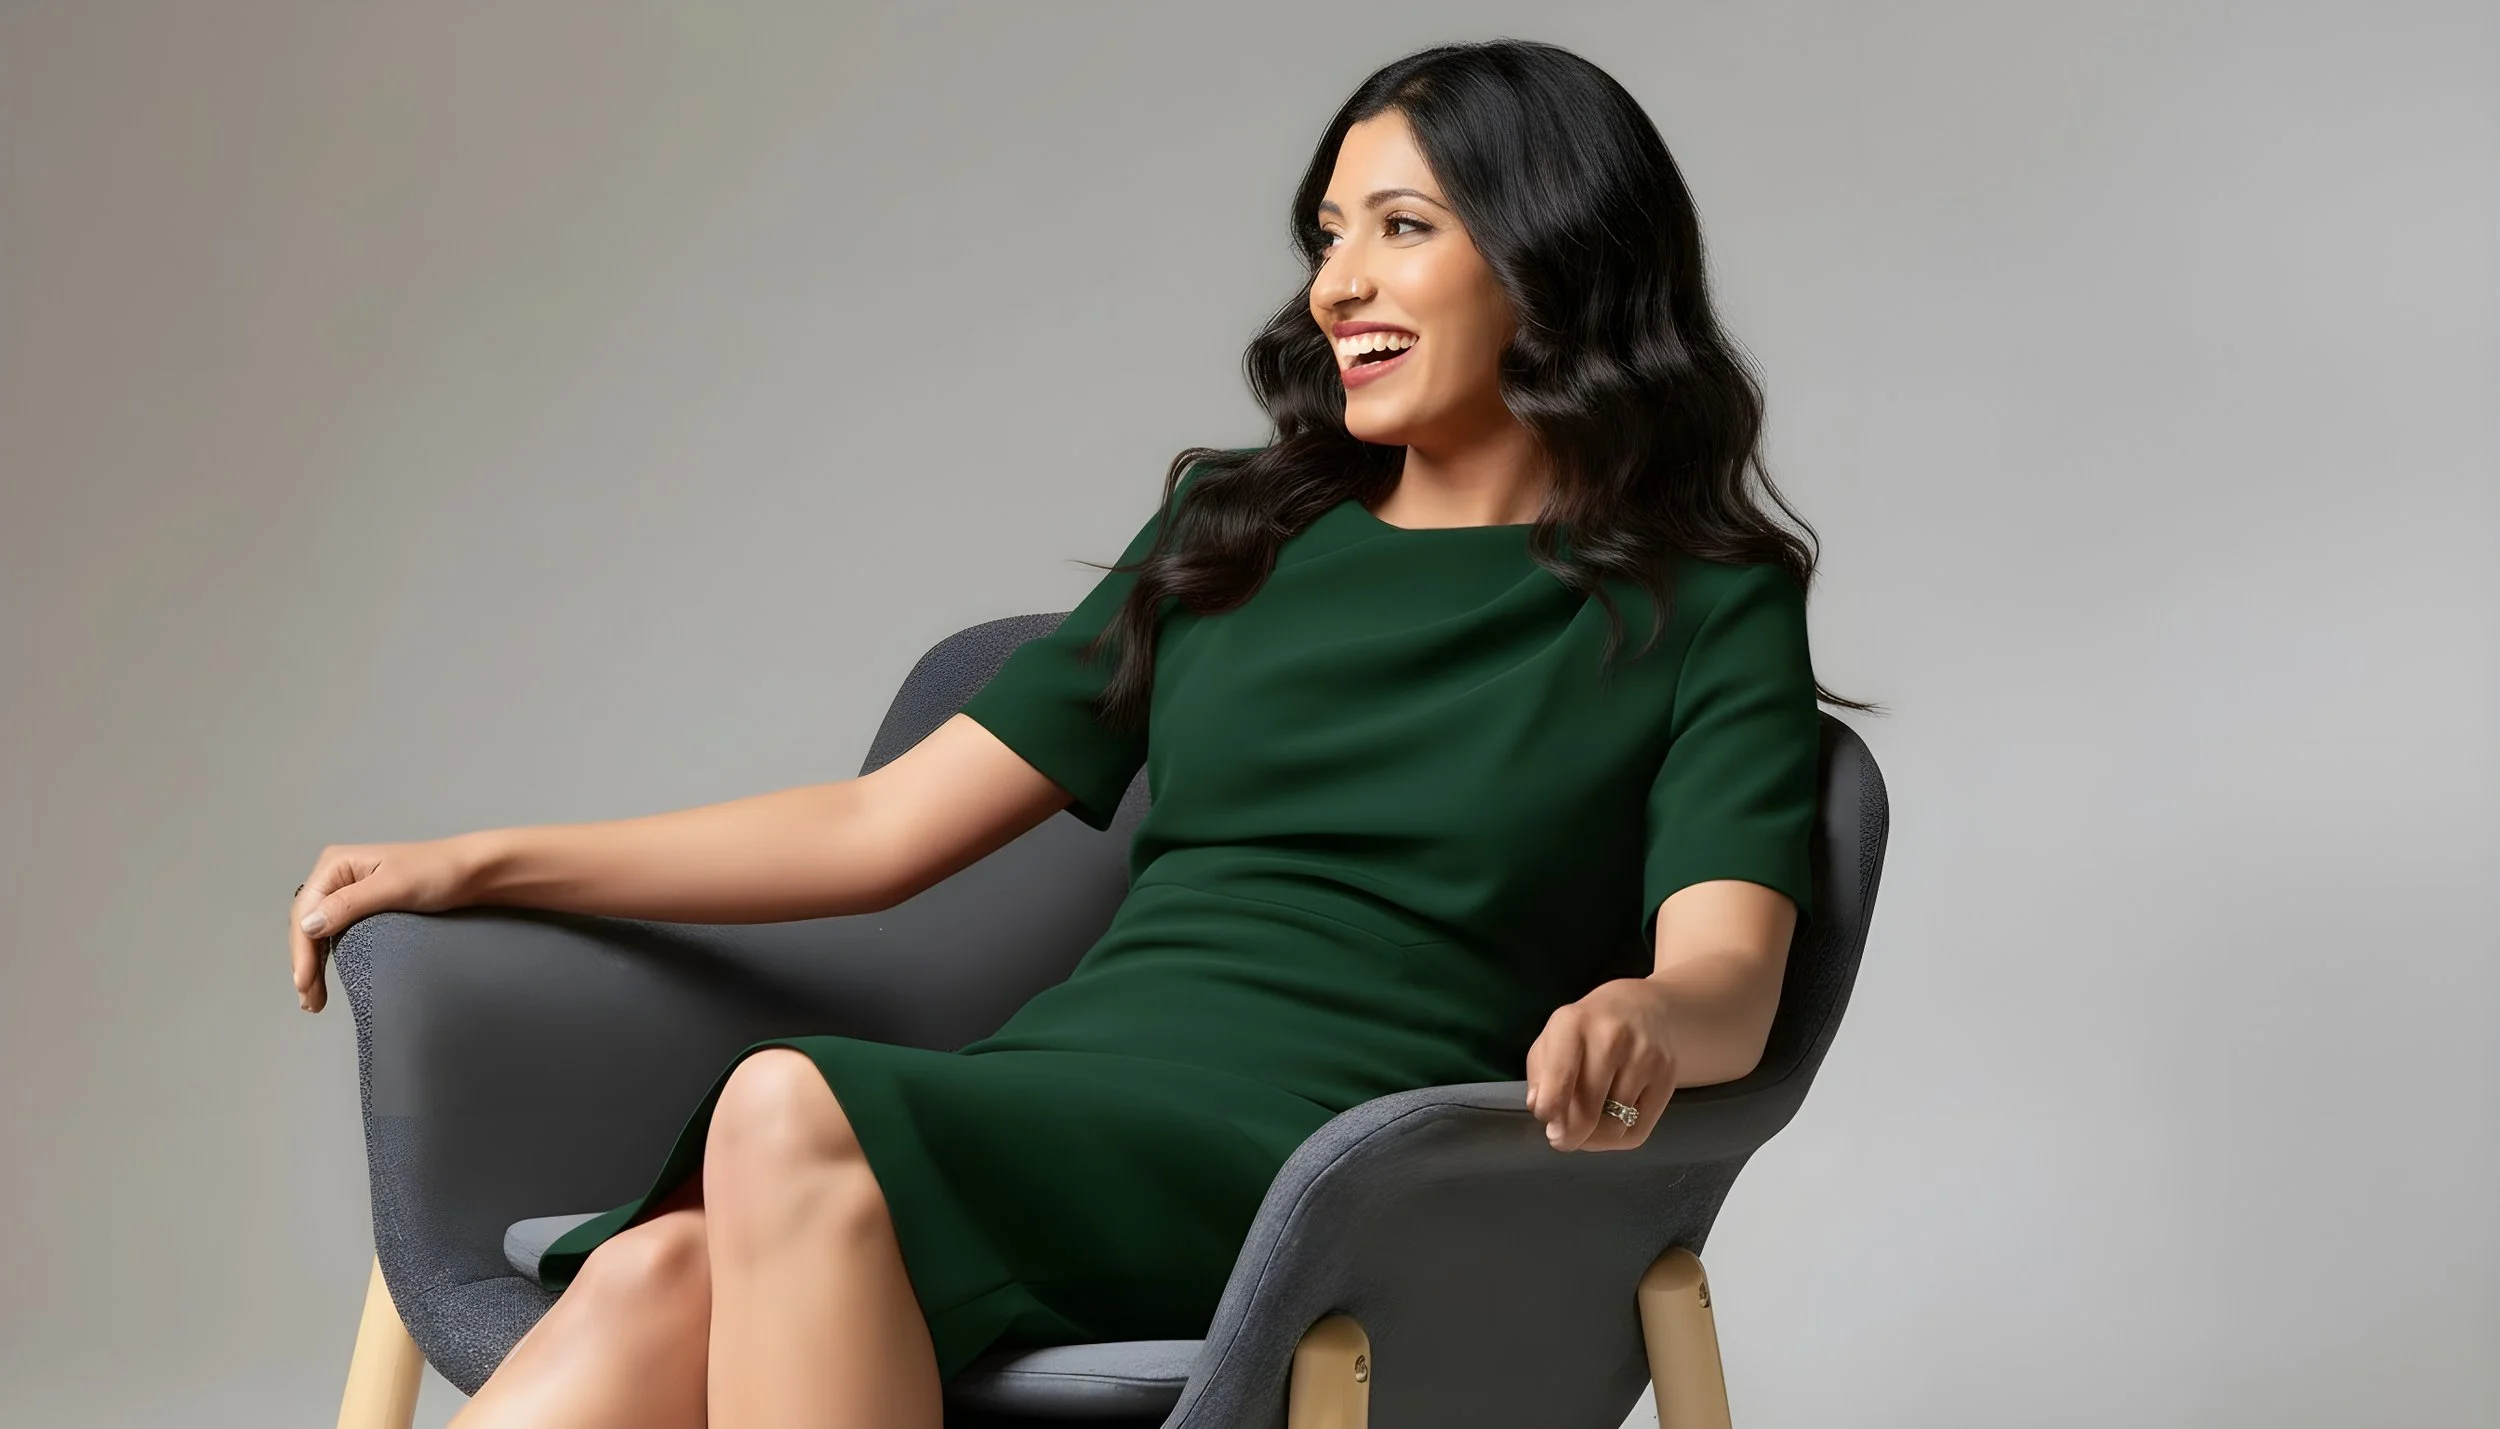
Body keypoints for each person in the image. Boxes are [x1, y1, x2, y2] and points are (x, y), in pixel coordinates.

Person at [286, 38, 1874, 1429]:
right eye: (1329, 235)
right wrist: (471, 860)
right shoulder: (1235, 532)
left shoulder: (1700, 604)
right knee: (669, 1270)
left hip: (1337, 1168)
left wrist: (1642, 1019)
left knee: (779, 1115)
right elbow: (877, 833)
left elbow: (1730, 981)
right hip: (1070, 1096)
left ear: (1555, 256)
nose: (1340, 284)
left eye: (1404, 229)